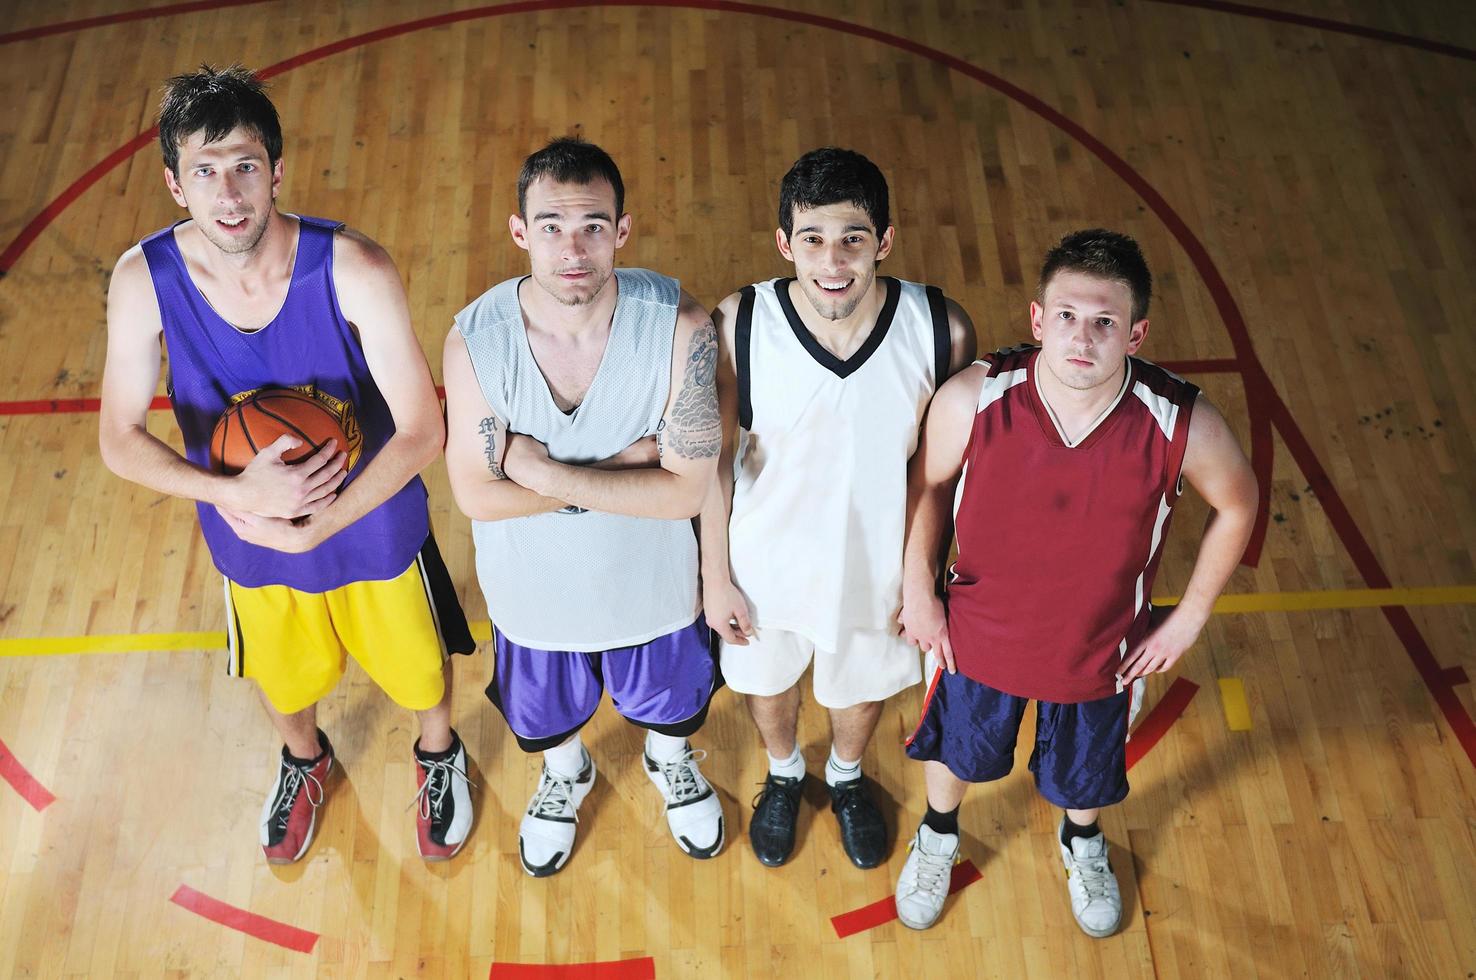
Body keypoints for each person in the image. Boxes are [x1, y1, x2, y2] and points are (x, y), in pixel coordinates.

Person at [99, 65, 476, 865]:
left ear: (278, 169)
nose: (228, 194)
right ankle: (305, 763)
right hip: (249, 530)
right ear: (175, 184)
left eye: (244, 166)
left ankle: (439, 752)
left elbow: (421, 429)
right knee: (285, 677)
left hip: (370, 518)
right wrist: (237, 491)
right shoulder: (143, 280)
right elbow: (117, 438)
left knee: (416, 671)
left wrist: (321, 519)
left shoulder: (355, 268)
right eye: (205, 172)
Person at [892, 228, 1258, 934]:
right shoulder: (975, 397)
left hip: (1101, 650)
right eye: (1065, 317)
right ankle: (938, 832)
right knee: (956, 751)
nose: (1081, 339)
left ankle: (1081, 841)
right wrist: (918, 591)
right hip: (976, 637)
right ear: (1037, 320)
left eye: (1104, 322)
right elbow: (929, 485)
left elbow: (1239, 503)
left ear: (1136, 332)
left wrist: (1187, 621)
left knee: (1085, 777)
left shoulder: (1180, 421)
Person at [443, 137, 724, 877]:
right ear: (519, 231)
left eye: (594, 225)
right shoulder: (476, 341)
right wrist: (631, 464)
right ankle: (566, 776)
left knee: (670, 708)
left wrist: (536, 468)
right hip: (533, 596)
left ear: (622, 231)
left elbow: (687, 492)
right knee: (547, 722)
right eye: (552, 226)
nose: (574, 248)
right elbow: (474, 492)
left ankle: (670, 762)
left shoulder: (683, 328)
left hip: (654, 589)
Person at [701, 148, 976, 870]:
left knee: (859, 692)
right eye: (814, 239)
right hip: (763, 566)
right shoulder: (740, 321)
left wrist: (921, 580)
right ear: (784, 242)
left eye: (854, 238)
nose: (834, 261)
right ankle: (786, 771)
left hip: (877, 568)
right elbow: (712, 464)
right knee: (768, 686)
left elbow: (937, 473)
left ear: (883, 241)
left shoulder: (940, 328)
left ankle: (847, 777)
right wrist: (714, 576)